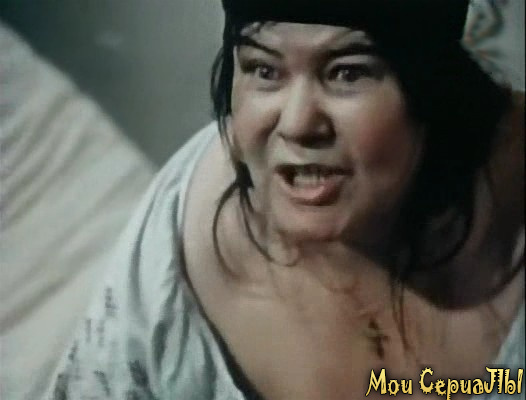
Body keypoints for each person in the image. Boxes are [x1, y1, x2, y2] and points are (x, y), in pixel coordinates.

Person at [45, 0, 524, 399]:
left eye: (347, 73)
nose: (297, 124)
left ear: (434, 88)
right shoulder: (183, 234)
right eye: (264, 70)